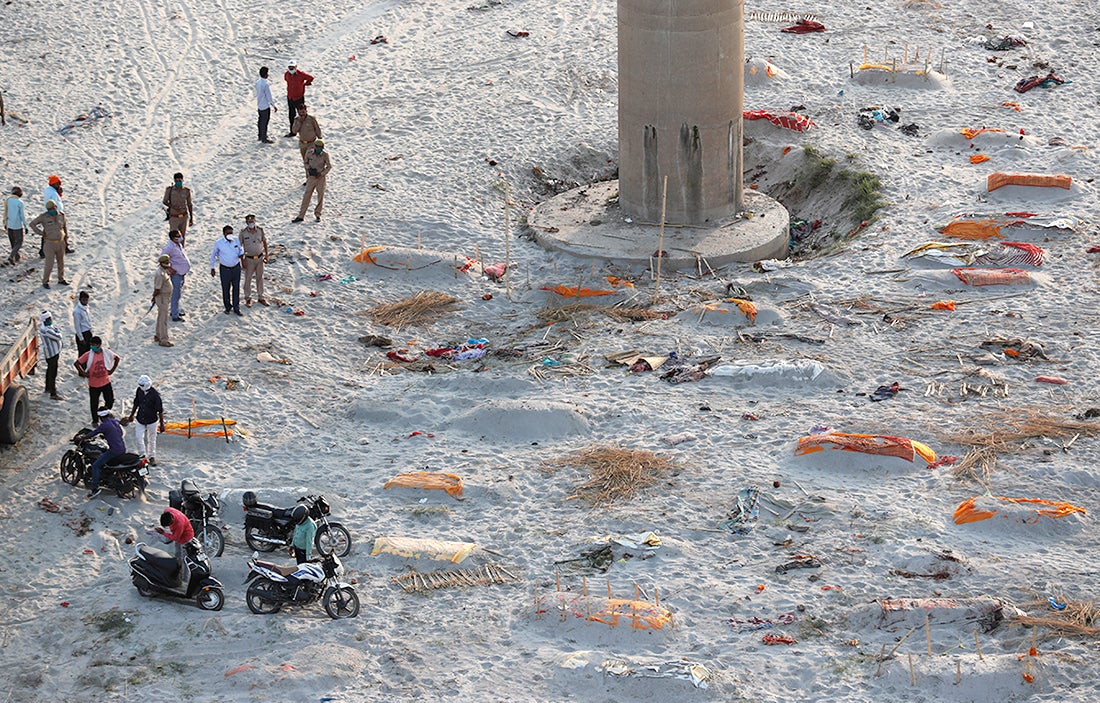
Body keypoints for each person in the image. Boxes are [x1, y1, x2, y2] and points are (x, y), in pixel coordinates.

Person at [74, 335, 120, 425]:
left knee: (110, 400)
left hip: (105, 381)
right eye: (91, 345)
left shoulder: (106, 353)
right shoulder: (88, 354)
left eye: (94, 345)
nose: (92, 347)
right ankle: (95, 420)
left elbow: (117, 358)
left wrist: (112, 370)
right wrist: (84, 373)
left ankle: (105, 413)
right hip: (94, 384)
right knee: (94, 403)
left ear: (99, 345)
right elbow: (77, 363)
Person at [123, 375, 165, 466]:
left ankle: (151, 456)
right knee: (138, 437)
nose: (140, 386)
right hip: (140, 419)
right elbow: (136, 403)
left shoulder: (155, 395)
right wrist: (131, 415)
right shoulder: (139, 391)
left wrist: (162, 425)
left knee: (152, 438)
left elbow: (160, 411)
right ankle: (142, 455)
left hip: (152, 420)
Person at [86, 407, 125, 499]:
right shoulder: (115, 421)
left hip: (114, 451)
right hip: (122, 449)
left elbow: (93, 433)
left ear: (100, 417)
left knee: (95, 465)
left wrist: (82, 437)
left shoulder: (104, 425)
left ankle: (95, 489)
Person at [29, 200, 69, 289]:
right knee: (49, 264)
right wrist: (40, 233)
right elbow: (32, 224)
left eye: (52, 208)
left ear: (55, 207)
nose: (51, 210)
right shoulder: (44, 217)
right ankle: (45, 281)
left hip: (60, 242)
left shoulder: (61, 215)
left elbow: (64, 227)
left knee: (61, 262)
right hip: (49, 243)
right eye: (49, 209)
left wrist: (66, 239)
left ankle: (61, 279)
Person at [153, 507, 195, 587]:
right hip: (178, 536)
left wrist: (163, 533)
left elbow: (175, 538)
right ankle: (179, 572)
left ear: (172, 521)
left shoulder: (179, 524)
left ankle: (184, 579)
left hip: (185, 538)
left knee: (184, 559)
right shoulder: (168, 510)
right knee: (177, 555)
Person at [293, 139, 331, 223]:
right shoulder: (309, 153)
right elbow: (305, 162)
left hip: (320, 178)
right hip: (311, 178)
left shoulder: (325, 155)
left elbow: (329, 166)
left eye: (321, 147)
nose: (319, 149)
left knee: (320, 196)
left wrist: (321, 173)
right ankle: (301, 215)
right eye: (318, 147)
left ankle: (318, 214)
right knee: (307, 195)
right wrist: (309, 169)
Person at [209, 225, 243, 315]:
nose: (230, 235)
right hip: (225, 269)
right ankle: (227, 307)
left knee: (236, 288)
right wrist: (212, 268)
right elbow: (213, 255)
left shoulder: (236, 239)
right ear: (224, 234)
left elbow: (240, 249)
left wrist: (241, 254)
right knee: (225, 288)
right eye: (228, 233)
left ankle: (236, 307)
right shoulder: (219, 243)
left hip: (236, 267)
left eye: (231, 233)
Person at [239, 214, 269, 307]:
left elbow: (264, 242)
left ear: (255, 221)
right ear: (246, 222)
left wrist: (267, 255)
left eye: (252, 221)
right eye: (249, 222)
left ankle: (261, 297)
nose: (251, 223)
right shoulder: (243, 233)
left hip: (259, 258)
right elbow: (239, 247)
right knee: (248, 279)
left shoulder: (260, 230)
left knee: (260, 278)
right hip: (249, 259)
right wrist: (242, 260)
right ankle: (248, 298)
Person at [160, 230, 190, 321]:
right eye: (178, 236)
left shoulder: (177, 244)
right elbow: (161, 259)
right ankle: (175, 315)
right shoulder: (169, 247)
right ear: (173, 238)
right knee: (176, 294)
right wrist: (169, 269)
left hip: (181, 272)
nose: (181, 237)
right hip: (176, 274)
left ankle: (175, 310)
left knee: (178, 293)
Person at [43, 174, 72, 254]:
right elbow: (55, 203)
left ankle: (42, 251)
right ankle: (65, 247)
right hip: (56, 215)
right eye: (57, 183)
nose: (59, 185)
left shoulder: (49, 191)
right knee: (63, 231)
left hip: (49, 213)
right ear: (53, 184)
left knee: (47, 231)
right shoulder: (53, 193)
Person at [37, 311, 64, 400]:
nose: (50, 320)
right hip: (52, 354)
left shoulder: (45, 328)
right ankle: (53, 393)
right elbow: (58, 336)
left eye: (50, 318)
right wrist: (58, 331)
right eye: (48, 319)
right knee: (53, 373)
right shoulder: (47, 330)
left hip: (52, 353)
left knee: (49, 371)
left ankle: (48, 388)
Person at [162, 173, 194, 245]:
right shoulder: (170, 190)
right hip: (174, 216)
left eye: (180, 180)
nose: (178, 182)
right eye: (177, 181)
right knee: (173, 236)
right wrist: (173, 206)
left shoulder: (186, 191)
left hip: (183, 216)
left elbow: (189, 204)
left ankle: (181, 252)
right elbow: (164, 201)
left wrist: (191, 218)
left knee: (182, 236)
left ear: (182, 180)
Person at [283, 61, 313, 136]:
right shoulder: (287, 74)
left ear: (296, 67)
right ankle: (293, 131)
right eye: (289, 67)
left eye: (292, 67)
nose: (291, 69)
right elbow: (286, 80)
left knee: (302, 115)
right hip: (290, 98)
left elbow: (311, 78)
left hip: (299, 98)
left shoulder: (301, 74)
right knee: (291, 115)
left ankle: (305, 131)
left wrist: (305, 84)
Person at [152, 254, 174, 347]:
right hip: (162, 297)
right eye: (166, 263)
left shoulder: (164, 271)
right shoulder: (160, 274)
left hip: (165, 297)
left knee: (160, 317)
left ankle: (158, 335)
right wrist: (154, 297)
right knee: (163, 318)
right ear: (161, 263)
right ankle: (164, 340)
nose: (168, 264)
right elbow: (157, 289)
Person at [4, 186, 28, 265]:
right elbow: (22, 216)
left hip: (9, 224)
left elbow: (5, 212)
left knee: (12, 242)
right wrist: (25, 226)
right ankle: (11, 256)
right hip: (17, 225)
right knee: (19, 242)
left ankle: (17, 256)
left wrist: (5, 223)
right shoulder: (19, 202)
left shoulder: (8, 200)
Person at [254, 66, 277, 143]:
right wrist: (273, 105)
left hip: (259, 105)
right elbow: (269, 96)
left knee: (260, 121)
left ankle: (260, 135)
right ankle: (264, 138)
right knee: (265, 122)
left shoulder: (257, 82)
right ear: (265, 74)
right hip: (265, 106)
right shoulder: (265, 84)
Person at [72, 290, 94, 358]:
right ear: (80, 299)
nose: (85, 301)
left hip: (88, 333)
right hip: (82, 334)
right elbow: (77, 326)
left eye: (87, 300)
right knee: (82, 354)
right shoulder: (77, 311)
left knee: (89, 353)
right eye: (84, 299)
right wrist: (81, 338)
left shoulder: (86, 307)